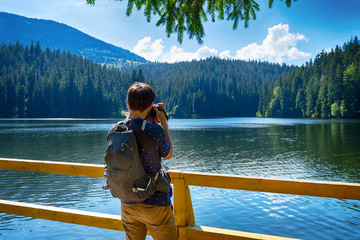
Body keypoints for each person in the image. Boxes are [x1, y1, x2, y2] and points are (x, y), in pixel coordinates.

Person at [119, 82, 177, 240]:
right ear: (151, 105)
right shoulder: (155, 130)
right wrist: (163, 122)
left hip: (127, 203)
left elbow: (131, 124)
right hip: (154, 202)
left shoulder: (116, 129)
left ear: (127, 103)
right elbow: (168, 155)